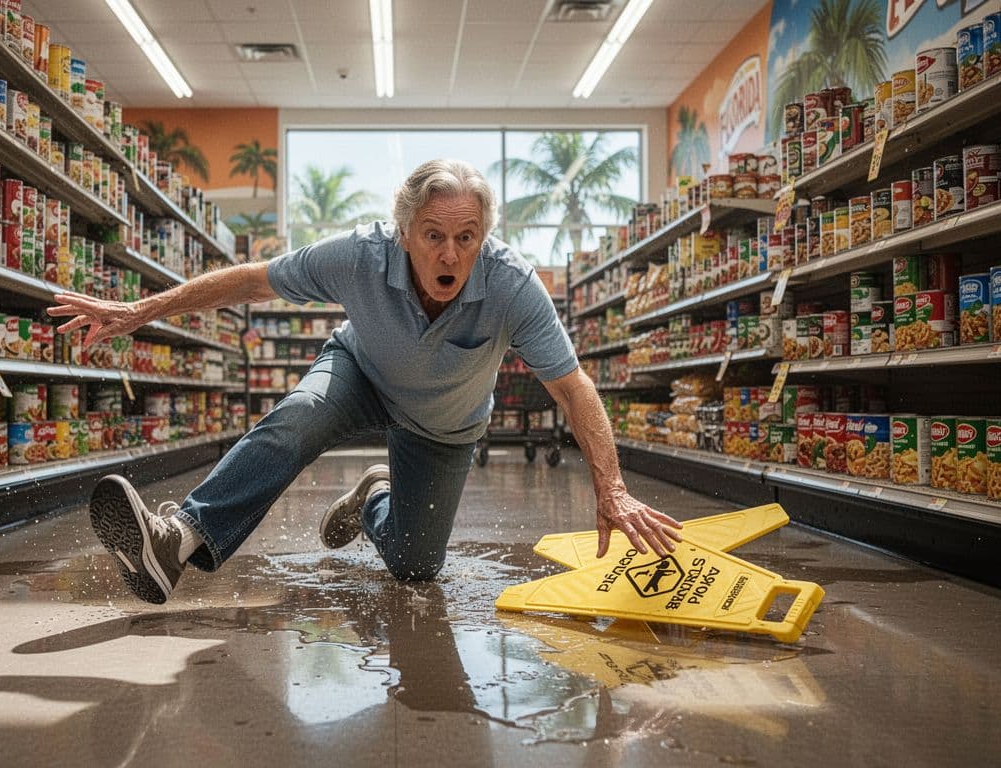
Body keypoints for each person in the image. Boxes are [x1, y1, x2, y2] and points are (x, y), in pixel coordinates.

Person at [47, 159, 681, 605]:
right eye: (433, 236)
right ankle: (177, 539)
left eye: (466, 237)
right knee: (298, 417)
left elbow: (573, 388)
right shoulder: (359, 255)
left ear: (484, 236)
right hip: (361, 375)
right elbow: (251, 280)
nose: (450, 255)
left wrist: (614, 488)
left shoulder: (514, 286)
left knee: (415, 566)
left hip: (444, 425)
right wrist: (139, 312)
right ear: (404, 232)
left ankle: (374, 498)